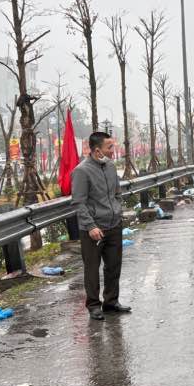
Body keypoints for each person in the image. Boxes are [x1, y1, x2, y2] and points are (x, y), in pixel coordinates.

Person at [71, 131, 130, 321]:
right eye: (109, 147)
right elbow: (78, 202)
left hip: (114, 224)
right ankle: (94, 305)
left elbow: (117, 194)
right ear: (98, 151)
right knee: (92, 269)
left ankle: (111, 302)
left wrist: (118, 211)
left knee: (114, 266)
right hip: (94, 229)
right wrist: (90, 226)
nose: (113, 150)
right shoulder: (82, 171)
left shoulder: (111, 166)